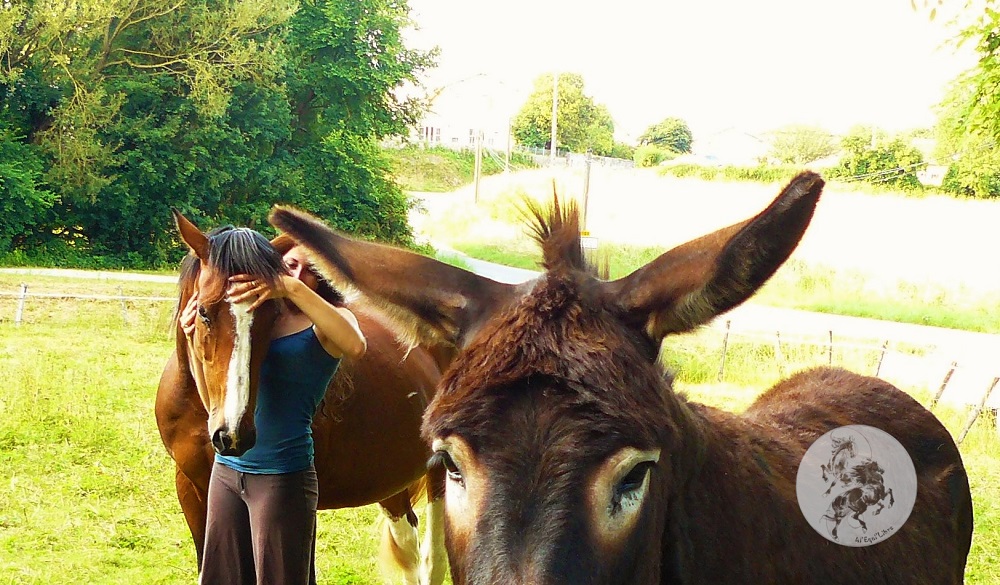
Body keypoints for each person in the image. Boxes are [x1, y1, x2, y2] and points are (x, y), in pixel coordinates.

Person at [180, 231, 366, 585]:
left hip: (281, 478)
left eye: (309, 271)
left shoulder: (325, 324)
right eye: (290, 265)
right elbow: (213, 404)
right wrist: (194, 338)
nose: (297, 275)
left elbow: (356, 346)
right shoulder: (256, 321)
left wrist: (291, 289)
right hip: (227, 473)